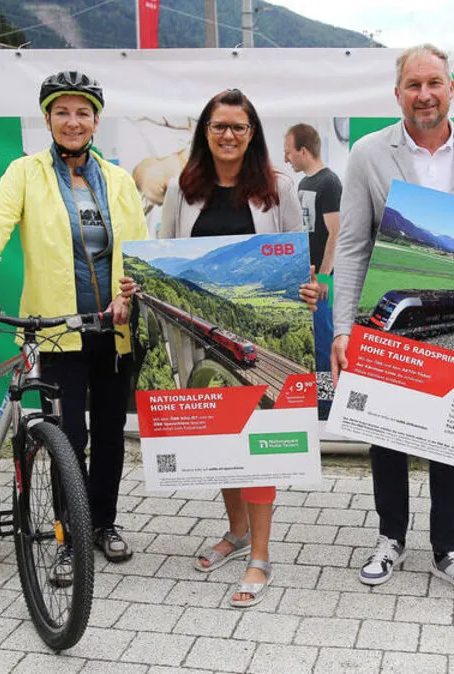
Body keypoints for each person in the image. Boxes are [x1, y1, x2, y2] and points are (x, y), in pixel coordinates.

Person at [0, 71, 148, 577]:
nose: (73, 121)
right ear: (48, 118)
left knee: (111, 432)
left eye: (83, 112)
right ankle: (67, 534)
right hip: (56, 329)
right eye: (62, 112)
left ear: (97, 119)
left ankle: (103, 524)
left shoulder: (117, 180)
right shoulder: (24, 173)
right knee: (70, 437)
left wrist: (128, 296)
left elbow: (137, 249)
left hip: (113, 326)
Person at [330, 44, 454, 602]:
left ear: (451, 87)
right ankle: (390, 537)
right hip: (393, 324)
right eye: (413, 85)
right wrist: (342, 329)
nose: (424, 94)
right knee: (387, 431)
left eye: (434, 83)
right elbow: (354, 246)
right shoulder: (367, 152)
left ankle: (449, 549)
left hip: (452, 316)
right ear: (398, 92)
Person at [159, 88, 304, 608]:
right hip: (206, 321)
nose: (228, 135)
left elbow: (297, 259)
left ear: (252, 133)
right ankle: (236, 532)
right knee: (221, 442)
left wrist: (308, 287)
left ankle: (259, 555)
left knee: (261, 445)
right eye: (219, 126)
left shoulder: (279, 187)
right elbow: (165, 250)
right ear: (205, 131)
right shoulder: (182, 187)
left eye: (238, 127)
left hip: (262, 322)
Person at [284, 123, 342, 376]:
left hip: (322, 280)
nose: (287, 158)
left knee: (325, 343)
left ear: (303, 150)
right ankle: (318, 402)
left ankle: (330, 402)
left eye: (289, 152)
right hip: (307, 278)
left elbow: (336, 233)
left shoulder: (329, 182)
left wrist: (324, 276)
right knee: (313, 343)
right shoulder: (303, 184)